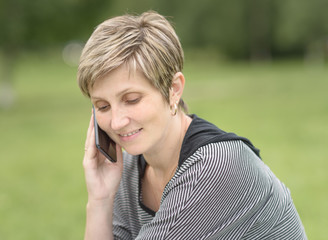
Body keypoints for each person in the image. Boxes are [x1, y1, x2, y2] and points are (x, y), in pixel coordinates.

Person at [77, 11, 307, 240]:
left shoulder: (216, 167)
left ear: (174, 89)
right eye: (103, 106)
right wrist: (100, 199)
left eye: (132, 100)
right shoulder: (127, 171)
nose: (116, 122)